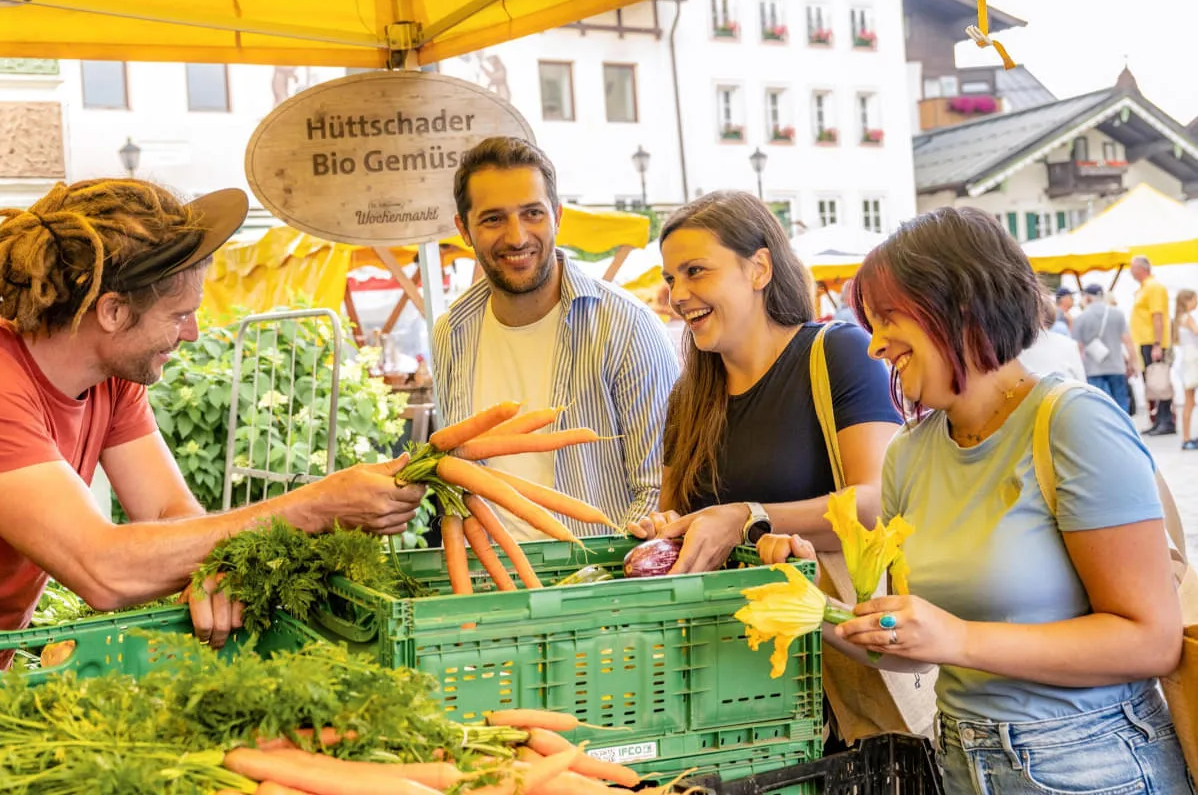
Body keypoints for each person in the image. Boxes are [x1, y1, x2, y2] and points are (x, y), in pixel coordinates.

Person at [0, 179, 424, 650]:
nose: (193, 333)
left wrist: (214, 571)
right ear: (113, 311)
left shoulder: (111, 380)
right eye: (179, 316)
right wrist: (313, 505)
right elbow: (102, 569)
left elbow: (171, 512)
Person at [767, 207, 1191, 795]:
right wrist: (812, 600)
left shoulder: (1071, 423)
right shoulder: (909, 454)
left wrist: (958, 638)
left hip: (1093, 761)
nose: (874, 346)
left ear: (962, 307)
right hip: (963, 761)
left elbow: (1151, 639)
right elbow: (914, 649)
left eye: (889, 318)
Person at [628, 189, 900, 576]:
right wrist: (664, 530)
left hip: (816, 626)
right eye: (671, 279)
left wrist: (747, 518)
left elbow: (876, 504)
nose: (678, 296)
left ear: (760, 268)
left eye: (695, 271)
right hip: (712, 630)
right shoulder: (687, 397)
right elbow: (673, 513)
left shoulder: (838, 353)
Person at [432, 137, 678, 539]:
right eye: (493, 219)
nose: (517, 236)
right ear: (464, 229)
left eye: (532, 213)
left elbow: (662, 489)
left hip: (600, 587)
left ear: (557, 217)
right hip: (489, 585)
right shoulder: (452, 333)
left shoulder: (625, 325)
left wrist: (599, 575)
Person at [1071, 282, 1137, 412]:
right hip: (1116, 367)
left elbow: (1077, 347)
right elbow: (1128, 341)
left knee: (1099, 406)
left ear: (1087, 298)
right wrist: (1133, 363)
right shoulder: (1118, 314)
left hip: (1093, 369)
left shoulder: (1080, 318)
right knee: (1121, 404)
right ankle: (1122, 430)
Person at [1131, 255, 1174, 435]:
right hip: (1145, 342)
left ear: (1142, 268)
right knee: (1153, 382)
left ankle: (1166, 420)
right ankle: (1159, 420)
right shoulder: (1143, 288)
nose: (1131, 272)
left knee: (1160, 381)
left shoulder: (1154, 287)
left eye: (1133, 268)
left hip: (1153, 342)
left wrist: (1157, 344)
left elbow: (1158, 316)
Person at [1018, 289, 1086, 382]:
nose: (1073, 299)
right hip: (1062, 393)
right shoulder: (1067, 341)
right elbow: (1081, 380)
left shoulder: (1014, 347)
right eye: (1070, 297)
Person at [1176, 289, 1198, 450]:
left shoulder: (1178, 319)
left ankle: (1186, 437)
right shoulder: (1187, 318)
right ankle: (1186, 437)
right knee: (1190, 402)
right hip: (1193, 362)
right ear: (1188, 300)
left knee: (1189, 402)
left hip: (1187, 361)